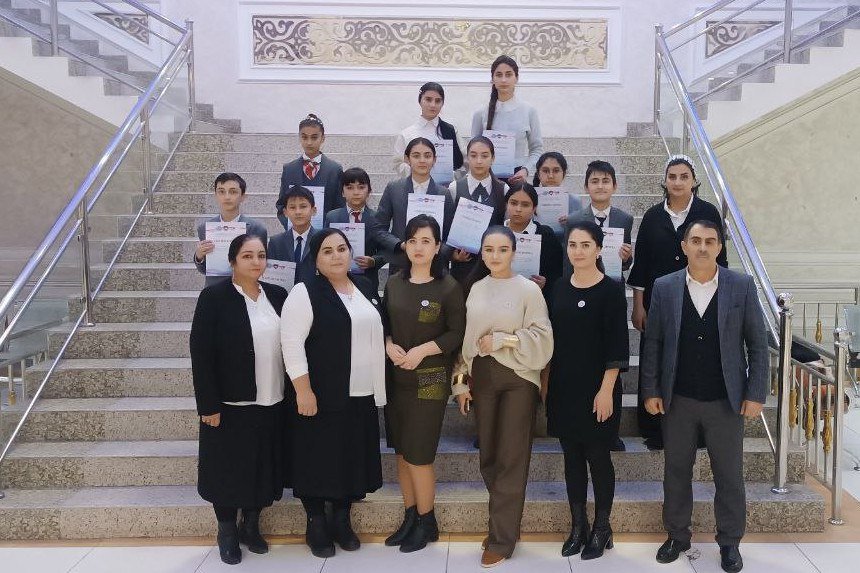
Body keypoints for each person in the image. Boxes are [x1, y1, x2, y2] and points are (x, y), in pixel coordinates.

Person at [641, 220, 768, 573]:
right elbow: (654, 342)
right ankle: (677, 535)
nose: (702, 247)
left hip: (726, 400)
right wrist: (650, 389)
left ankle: (730, 541)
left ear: (719, 247)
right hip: (678, 398)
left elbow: (758, 345)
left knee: (729, 475)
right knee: (676, 471)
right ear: (684, 246)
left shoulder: (741, 286)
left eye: (710, 241)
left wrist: (756, 392)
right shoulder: (665, 287)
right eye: (695, 240)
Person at [280, 228, 386, 559]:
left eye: (342, 248)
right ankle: (316, 522)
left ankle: (341, 518)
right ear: (315, 259)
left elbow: (379, 329)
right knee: (317, 458)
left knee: (350, 457)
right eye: (327, 251)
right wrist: (303, 390)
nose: (337, 255)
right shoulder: (304, 292)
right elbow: (291, 343)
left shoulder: (364, 285)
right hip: (321, 394)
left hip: (361, 393)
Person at [452, 226, 553, 568]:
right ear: (481, 252)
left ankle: (502, 538)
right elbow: (465, 341)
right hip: (482, 378)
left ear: (514, 252)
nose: (495, 256)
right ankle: (504, 523)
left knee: (511, 457)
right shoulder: (475, 288)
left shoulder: (528, 290)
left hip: (518, 379)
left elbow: (543, 336)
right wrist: (460, 383)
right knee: (489, 457)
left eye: (503, 249)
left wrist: (503, 340)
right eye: (489, 249)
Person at [189, 234, 287, 565]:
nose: (256, 262)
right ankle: (227, 531)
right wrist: (208, 405)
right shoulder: (214, 297)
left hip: (272, 398)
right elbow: (201, 354)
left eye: (261, 255)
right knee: (227, 470)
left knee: (262, 466)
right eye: (247, 256)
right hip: (230, 404)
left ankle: (252, 526)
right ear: (232, 261)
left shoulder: (277, 295)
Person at [628, 154, 728, 450]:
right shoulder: (652, 217)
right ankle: (655, 427)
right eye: (672, 176)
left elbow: (720, 260)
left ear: (694, 180)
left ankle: (697, 430)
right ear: (665, 181)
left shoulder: (707, 212)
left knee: (693, 359)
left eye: (684, 176)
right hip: (658, 303)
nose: (678, 182)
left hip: (700, 299)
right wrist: (638, 305)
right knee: (656, 359)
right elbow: (642, 264)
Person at [543, 221, 629, 560]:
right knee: (572, 459)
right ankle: (578, 525)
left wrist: (606, 390)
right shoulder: (559, 288)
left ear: (598, 249)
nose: (578, 251)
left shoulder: (610, 290)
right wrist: (546, 385)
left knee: (598, 456)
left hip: (599, 388)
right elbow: (552, 341)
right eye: (573, 245)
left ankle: (602, 527)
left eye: (585, 245)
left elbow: (617, 346)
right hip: (564, 387)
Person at [382, 215, 466, 553]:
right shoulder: (394, 283)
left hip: (430, 379)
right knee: (403, 454)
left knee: (419, 455)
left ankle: (427, 521)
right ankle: (410, 516)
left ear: (437, 246)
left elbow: (456, 333)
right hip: (397, 378)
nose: (419, 247)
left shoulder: (448, 287)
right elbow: (384, 323)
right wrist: (388, 344)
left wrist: (423, 350)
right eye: (413, 240)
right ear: (405, 245)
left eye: (426, 241)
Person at [373, 137, 454, 273]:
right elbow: (378, 228)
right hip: (401, 263)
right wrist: (399, 245)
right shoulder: (394, 189)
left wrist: (436, 249)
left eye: (427, 156)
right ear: (407, 159)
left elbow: (450, 235)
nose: (422, 160)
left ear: (434, 159)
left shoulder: (444, 193)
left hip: (434, 266)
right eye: (416, 156)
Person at [471, 55, 543, 185]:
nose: (503, 80)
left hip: (517, 179)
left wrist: (525, 170)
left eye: (508, 74)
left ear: (517, 78)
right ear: (492, 79)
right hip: (487, 179)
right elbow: (473, 151)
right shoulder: (480, 114)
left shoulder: (529, 111)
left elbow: (537, 149)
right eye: (499, 75)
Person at [447, 135, 509, 283]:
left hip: (494, 265)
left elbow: (507, 227)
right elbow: (446, 226)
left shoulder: (504, 189)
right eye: (473, 156)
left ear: (493, 158)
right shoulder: (455, 188)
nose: (479, 161)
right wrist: (452, 254)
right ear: (467, 158)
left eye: (485, 156)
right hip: (463, 265)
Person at [193, 173, 268, 288]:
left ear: (243, 196)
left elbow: (262, 265)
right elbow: (205, 269)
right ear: (216, 195)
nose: (227, 197)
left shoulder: (257, 229)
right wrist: (199, 257)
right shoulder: (204, 228)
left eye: (233, 192)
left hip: (246, 289)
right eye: (221, 192)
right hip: (214, 289)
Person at [324, 167, 387, 294]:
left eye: (361, 187)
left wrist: (373, 261)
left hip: (367, 280)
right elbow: (324, 247)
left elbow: (385, 250)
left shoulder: (378, 218)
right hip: (336, 279)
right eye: (350, 187)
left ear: (369, 191)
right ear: (342, 192)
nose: (356, 192)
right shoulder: (332, 217)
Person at [276, 113, 344, 229]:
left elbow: (339, 206)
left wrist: (329, 230)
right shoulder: (289, 169)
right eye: (304, 137)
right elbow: (281, 205)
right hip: (296, 231)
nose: (309, 142)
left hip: (325, 233)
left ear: (323, 138)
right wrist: (292, 224)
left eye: (314, 137)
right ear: (299, 137)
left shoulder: (335, 169)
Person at [393, 82, 464, 179]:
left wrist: (452, 176)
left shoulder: (451, 130)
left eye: (438, 101)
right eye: (428, 99)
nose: (433, 105)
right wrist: (418, 173)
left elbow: (464, 161)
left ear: (442, 103)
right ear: (420, 101)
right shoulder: (406, 134)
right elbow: (398, 164)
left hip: (446, 186)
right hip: (415, 186)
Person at [503, 182, 563, 298]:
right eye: (513, 203)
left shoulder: (546, 236)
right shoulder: (495, 234)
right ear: (506, 204)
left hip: (535, 300)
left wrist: (545, 283)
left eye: (525, 205)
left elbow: (557, 273)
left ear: (534, 208)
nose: (518, 209)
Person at [268, 186, 320, 285]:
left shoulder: (323, 239)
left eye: (303, 206)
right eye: (292, 207)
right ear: (285, 212)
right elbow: (272, 277)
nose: (298, 212)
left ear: (313, 210)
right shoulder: (276, 242)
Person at [533, 151, 582, 232]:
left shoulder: (574, 201)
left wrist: (571, 221)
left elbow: (580, 230)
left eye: (556, 171)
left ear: (564, 174)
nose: (550, 176)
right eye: (545, 171)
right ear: (538, 174)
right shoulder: (530, 199)